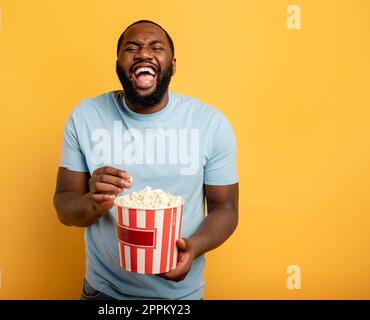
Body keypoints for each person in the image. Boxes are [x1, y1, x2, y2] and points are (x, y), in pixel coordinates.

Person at [53, 20, 239, 300]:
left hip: (181, 297)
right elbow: (64, 206)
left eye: (155, 47)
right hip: (104, 293)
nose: (143, 54)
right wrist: (93, 202)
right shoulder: (86, 117)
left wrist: (193, 247)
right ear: (118, 64)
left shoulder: (210, 123)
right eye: (132, 48)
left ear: (173, 65)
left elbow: (226, 207)